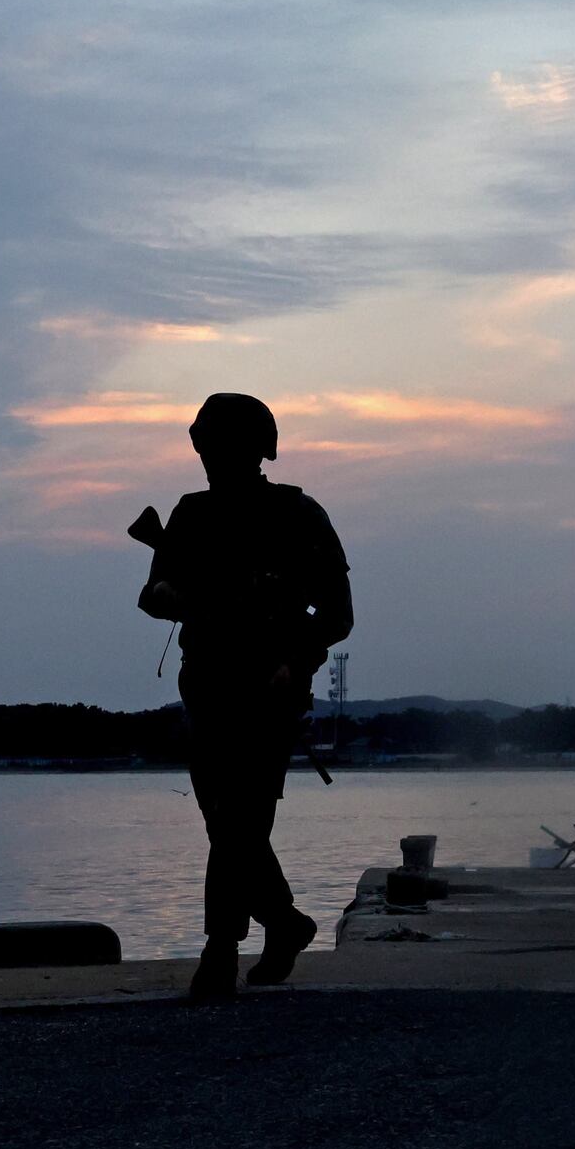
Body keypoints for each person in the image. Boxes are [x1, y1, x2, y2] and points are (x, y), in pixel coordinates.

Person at [139, 393, 352, 1001]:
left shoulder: (298, 515)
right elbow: (152, 592)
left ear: (256, 450)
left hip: (270, 690)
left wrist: (293, 660)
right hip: (208, 687)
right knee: (226, 818)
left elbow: (336, 615)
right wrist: (176, 597)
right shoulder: (190, 515)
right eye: (203, 444)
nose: (208, 456)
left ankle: (219, 951)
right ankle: (284, 923)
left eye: (220, 445)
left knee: (242, 818)